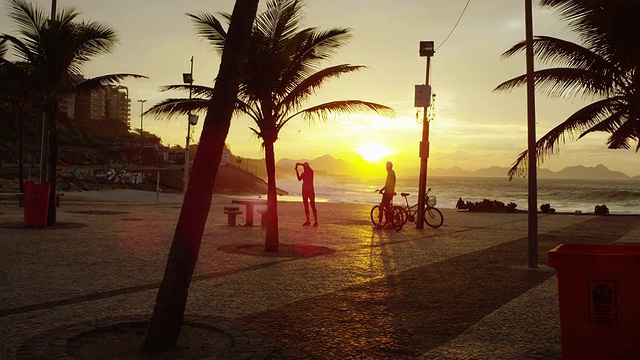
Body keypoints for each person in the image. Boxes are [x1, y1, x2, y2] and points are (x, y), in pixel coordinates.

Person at [295, 162, 318, 226]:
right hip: (305, 191)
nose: (304, 168)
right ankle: (308, 220)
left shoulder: (311, 172)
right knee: (306, 206)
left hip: (310, 190)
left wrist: (299, 164)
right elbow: (299, 179)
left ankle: (316, 221)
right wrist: (296, 171)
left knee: (312, 205)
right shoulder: (303, 174)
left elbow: (307, 167)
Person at [376, 161, 396, 229]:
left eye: (387, 166)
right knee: (387, 208)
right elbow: (388, 184)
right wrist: (382, 190)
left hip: (388, 193)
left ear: (389, 166)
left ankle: (379, 223)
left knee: (381, 207)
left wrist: (383, 190)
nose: (386, 167)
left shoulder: (390, 173)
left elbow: (388, 185)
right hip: (389, 193)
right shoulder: (391, 173)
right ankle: (389, 223)